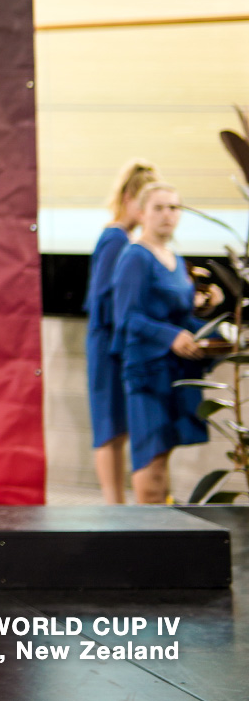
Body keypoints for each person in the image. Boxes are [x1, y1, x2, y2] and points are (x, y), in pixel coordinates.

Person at [111, 182, 220, 503]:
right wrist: (170, 337)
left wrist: (214, 323)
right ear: (142, 212)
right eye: (159, 207)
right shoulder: (135, 256)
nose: (167, 215)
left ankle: (161, 537)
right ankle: (147, 541)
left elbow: (179, 314)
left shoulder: (174, 256)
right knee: (151, 457)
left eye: (174, 207)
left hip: (176, 370)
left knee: (164, 456)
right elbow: (127, 317)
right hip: (148, 371)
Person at [86, 161, 153, 503]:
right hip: (108, 344)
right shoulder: (116, 237)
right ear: (129, 197)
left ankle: (116, 504)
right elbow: (103, 299)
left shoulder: (125, 238)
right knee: (109, 427)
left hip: (115, 342)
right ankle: (113, 505)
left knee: (118, 428)